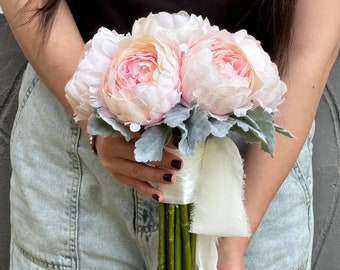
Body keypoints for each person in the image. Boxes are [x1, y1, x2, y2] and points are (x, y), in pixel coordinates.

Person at [1, 0, 339, 269]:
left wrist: (232, 238)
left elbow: (311, 45)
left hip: (256, 156)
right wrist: (96, 123)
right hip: (76, 133)